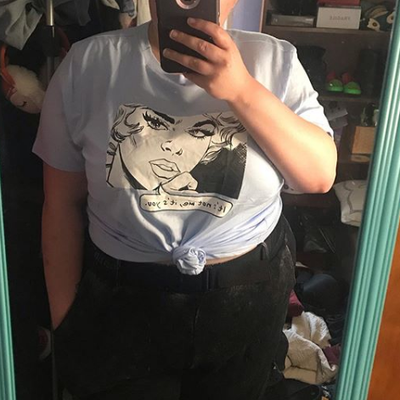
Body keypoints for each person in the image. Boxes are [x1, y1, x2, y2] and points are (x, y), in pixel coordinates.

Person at [33, 0, 337, 399]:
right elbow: (61, 204)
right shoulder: (89, 64)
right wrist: (67, 322)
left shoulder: (274, 62)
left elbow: (318, 177)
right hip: (120, 304)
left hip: (247, 300)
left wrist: (241, 90)